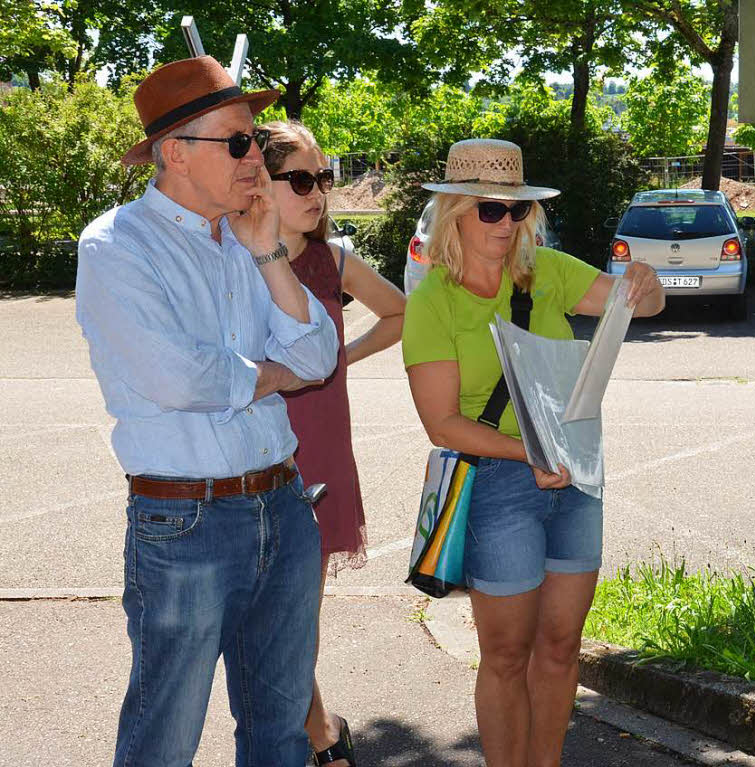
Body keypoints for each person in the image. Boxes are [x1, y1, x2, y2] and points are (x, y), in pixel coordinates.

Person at [75, 57, 340, 766]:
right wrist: (269, 374)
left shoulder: (247, 239)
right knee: (164, 741)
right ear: (174, 154)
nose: (256, 155)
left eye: (252, 138)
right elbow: (178, 375)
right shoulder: (116, 245)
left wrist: (267, 255)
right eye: (237, 142)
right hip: (183, 522)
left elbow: (319, 355)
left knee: (280, 736)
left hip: (281, 508)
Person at [401, 138, 665, 767]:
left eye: (516, 211)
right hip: (499, 485)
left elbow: (639, 303)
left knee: (560, 646)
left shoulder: (549, 272)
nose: (506, 224)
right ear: (455, 212)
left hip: (575, 479)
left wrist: (646, 286)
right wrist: (526, 456)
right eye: (490, 210)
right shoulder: (433, 301)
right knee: (506, 655)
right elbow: (442, 424)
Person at [262, 120, 406, 766]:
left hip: (319, 454)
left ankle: (315, 740)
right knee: (265, 624)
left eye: (323, 177)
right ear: (259, 184)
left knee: (295, 624)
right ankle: (321, 730)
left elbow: (401, 310)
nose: (318, 191)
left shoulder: (333, 260)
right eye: (300, 179)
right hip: (251, 457)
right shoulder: (234, 259)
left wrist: (341, 354)